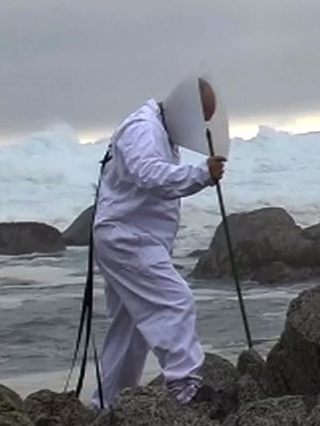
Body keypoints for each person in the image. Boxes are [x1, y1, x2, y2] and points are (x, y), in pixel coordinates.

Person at [90, 78, 226, 409]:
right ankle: (185, 387)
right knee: (174, 301)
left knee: (130, 329)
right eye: (201, 120)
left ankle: (108, 405)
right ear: (185, 111)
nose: (201, 130)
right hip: (128, 237)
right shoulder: (144, 128)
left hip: (130, 235)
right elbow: (149, 174)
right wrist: (200, 175)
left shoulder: (161, 129)